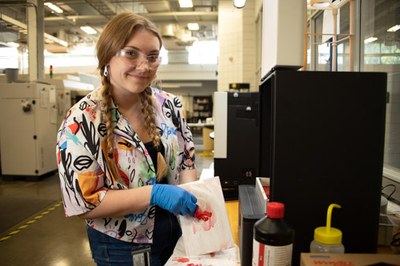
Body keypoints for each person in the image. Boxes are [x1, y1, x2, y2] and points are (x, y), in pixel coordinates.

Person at [56, 12, 198, 266]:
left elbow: (187, 160)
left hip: (176, 228)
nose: (145, 66)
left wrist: (193, 194)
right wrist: (153, 194)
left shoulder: (170, 105)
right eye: (131, 53)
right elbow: (84, 202)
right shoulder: (82, 120)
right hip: (121, 243)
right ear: (107, 56)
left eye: (152, 57)